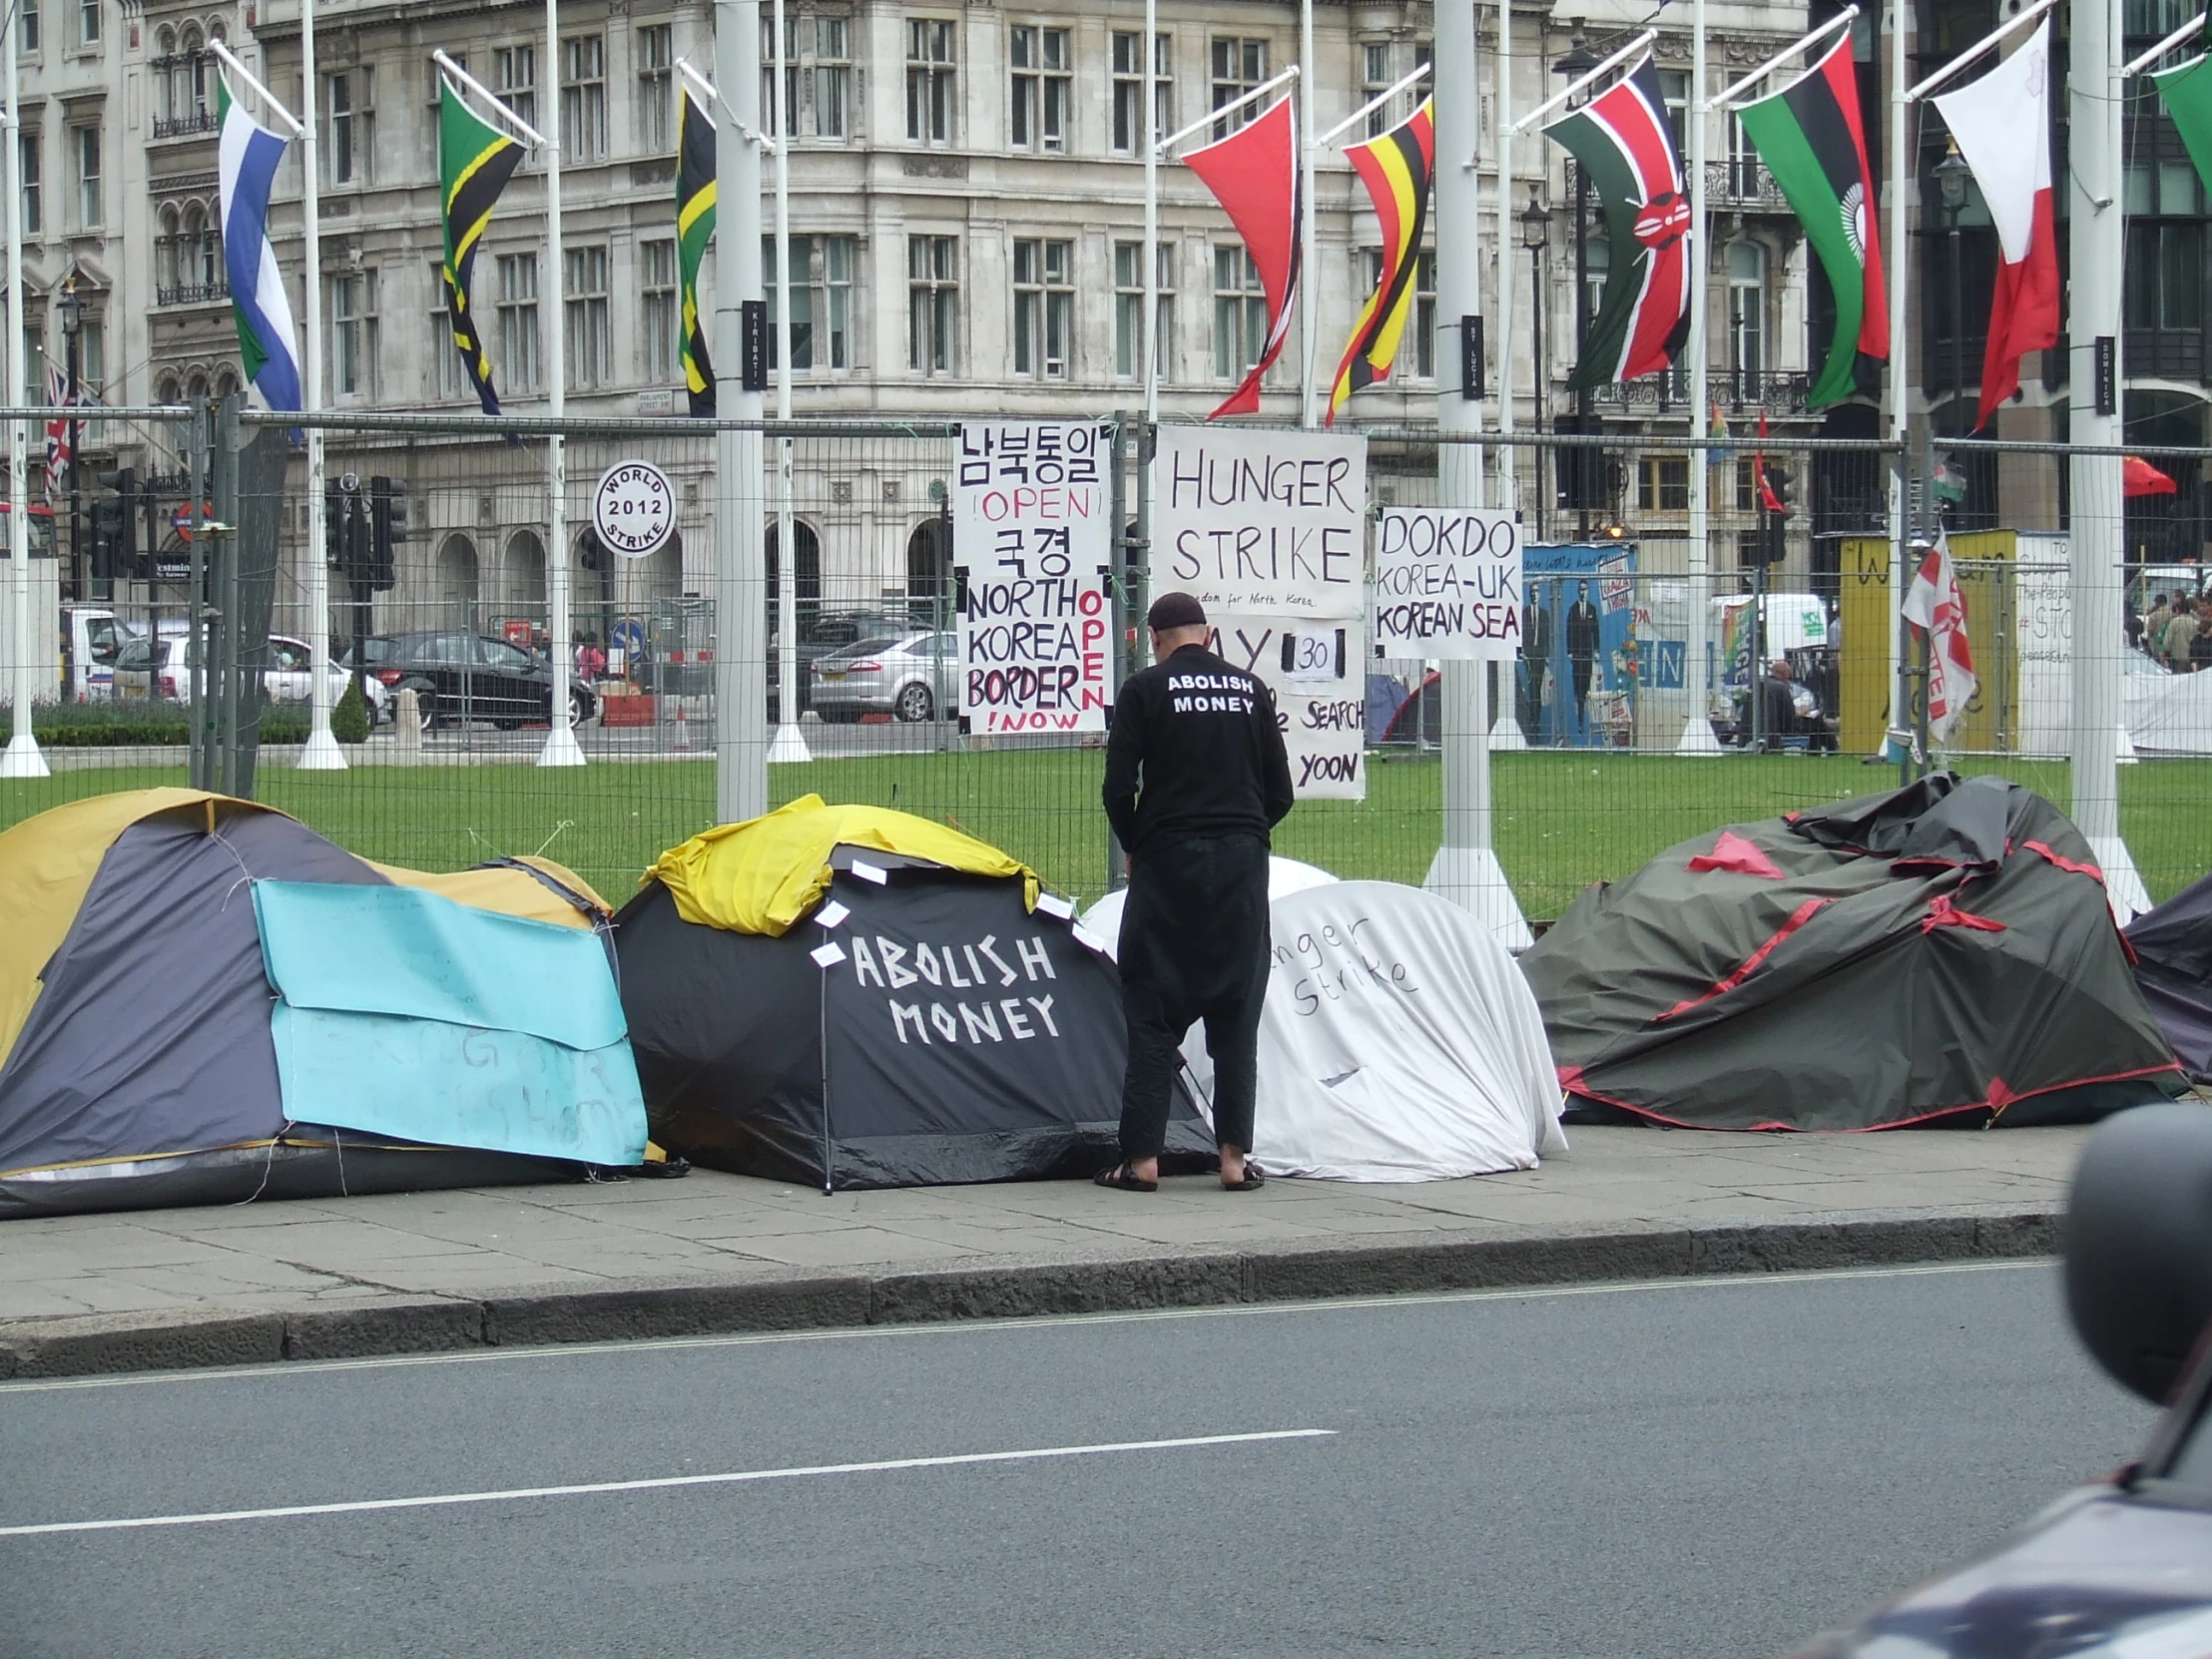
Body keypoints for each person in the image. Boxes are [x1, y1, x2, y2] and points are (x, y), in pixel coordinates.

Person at [1098, 592, 1294, 1195]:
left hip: (1167, 864)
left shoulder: (1144, 691)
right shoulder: (1250, 690)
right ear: (1207, 636)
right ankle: (1234, 1159)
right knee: (1237, 1011)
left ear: (1155, 638)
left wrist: (1139, 842)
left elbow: (1115, 788)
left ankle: (1142, 1160)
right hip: (1240, 866)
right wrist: (1241, 830)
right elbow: (1280, 791)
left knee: (1153, 1010)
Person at [1565, 580, 1601, 739]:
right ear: (1578, 591)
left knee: (1586, 685)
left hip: (1588, 653)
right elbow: (1569, 630)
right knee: (1577, 686)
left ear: (1588, 591)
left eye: (1585, 589)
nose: (1583, 592)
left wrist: (1597, 650)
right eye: (1580, 589)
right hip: (1577, 654)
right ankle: (1580, 717)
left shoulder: (1592, 609)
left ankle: (1585, 709)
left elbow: (1596, 631)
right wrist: (1570, 652)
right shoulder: (1573, 610)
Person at [2165, 598, 2199, 673]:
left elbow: (2167, 642)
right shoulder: (2196, 624)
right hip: (2193, 659)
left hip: (2178, 658)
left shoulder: (2174, 622)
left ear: (2177, 609)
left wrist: (2166, 654)